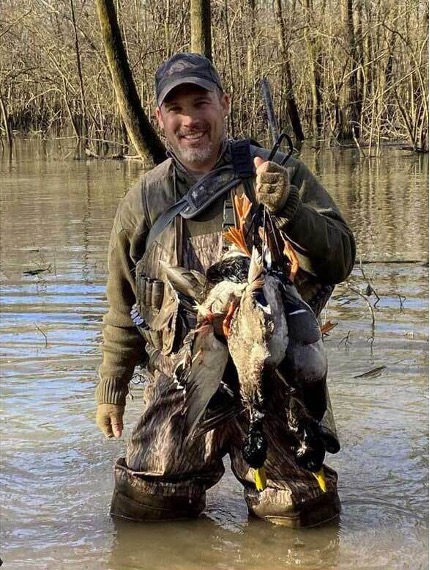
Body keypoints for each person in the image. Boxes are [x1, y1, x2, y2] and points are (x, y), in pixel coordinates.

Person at [95, 52, 356, 527]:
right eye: (176, 109)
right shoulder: (145, 199)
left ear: (225, 105)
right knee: (144, 509)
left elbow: (340, 257)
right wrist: (111, 388)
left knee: (301, 516)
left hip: (276, 380)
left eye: (201, 103)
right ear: (160, 119)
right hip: (189, 382)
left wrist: (289, 208)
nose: (190, 120)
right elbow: (122, 302)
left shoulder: (276, 172)